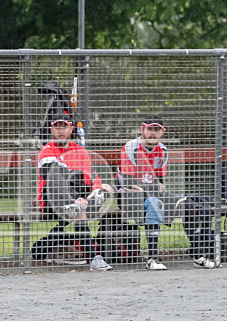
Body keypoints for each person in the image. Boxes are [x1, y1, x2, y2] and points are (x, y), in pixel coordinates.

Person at [32, 114, 114, 271]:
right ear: (52, 129)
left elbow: (91, 177)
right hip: (52, 200)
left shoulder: (80, 151)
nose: (61, 131)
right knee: (58, 177)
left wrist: (96, 188)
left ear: (71, 129)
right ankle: (94, 259)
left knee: (106, 188)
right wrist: (78, 195)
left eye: (64, 127)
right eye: (57, 127)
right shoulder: (46, 150)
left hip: (78, 199)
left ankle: (81, 205)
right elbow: (53, 175)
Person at [116, 116, 170, 270]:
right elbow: (128, 184)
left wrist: (150, 189)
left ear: (162, 132)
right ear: (143, 129)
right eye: (150, 129)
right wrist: (150, 189)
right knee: (153, 202)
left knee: (185, 203)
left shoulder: (163, 150)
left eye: (157, 130)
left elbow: (160, 183)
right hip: (127, 197)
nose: (153, 133)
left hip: (149, 195)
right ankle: (153, 258)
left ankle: (200, 254)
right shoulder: (131, 147)